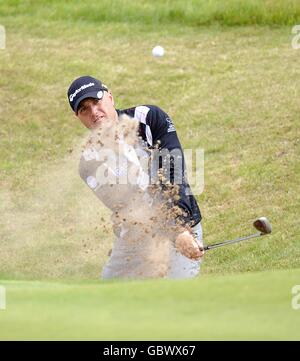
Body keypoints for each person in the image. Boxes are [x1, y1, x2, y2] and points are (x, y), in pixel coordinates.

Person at [67, 75, 205, 279]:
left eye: (96, 102)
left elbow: (173, 175)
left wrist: (179, 230)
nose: (94, 112)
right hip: (136, 236)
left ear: (110, 97)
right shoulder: (89, 163)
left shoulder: (148, 118)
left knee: (176, 296)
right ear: (77, 117)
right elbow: (130, 208)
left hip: (183, 223)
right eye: (84, 109)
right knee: (109, 295)